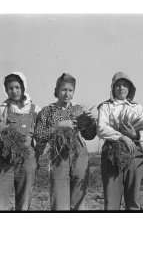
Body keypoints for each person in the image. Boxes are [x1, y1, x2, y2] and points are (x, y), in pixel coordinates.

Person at [34, 73, 96, 210]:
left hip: (79, 156)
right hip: (58, 157)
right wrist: (58, 126)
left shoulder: (78, 110)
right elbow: (38, 136)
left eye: (70, 90)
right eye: (63, 90)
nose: (67, 94)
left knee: (79, 202)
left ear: (73, 92)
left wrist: (91, 122)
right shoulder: (46, 111)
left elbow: (89, 135)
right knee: (59, 203)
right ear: (56, 91)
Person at [97, 72, 143, 210]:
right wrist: (122, 137)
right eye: (118, 85)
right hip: (111, 154)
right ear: (113, 88)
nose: (121, 88)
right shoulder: (105, 106)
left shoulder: (137, 107)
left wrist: (135, 134)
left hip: (134, 153)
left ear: (130, 88)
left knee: (133, 199)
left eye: (125, 85)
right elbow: (101, 128)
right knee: (111, 202)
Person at [0, 72, 41, 211]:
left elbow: (40, 136)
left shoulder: (35, 109)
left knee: (24, 201)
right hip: (4, 157)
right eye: (10, 88)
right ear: (6, 90)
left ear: (23, 88)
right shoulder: (2, 109)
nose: (14, 91)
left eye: (17, 87)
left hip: (27, 158)